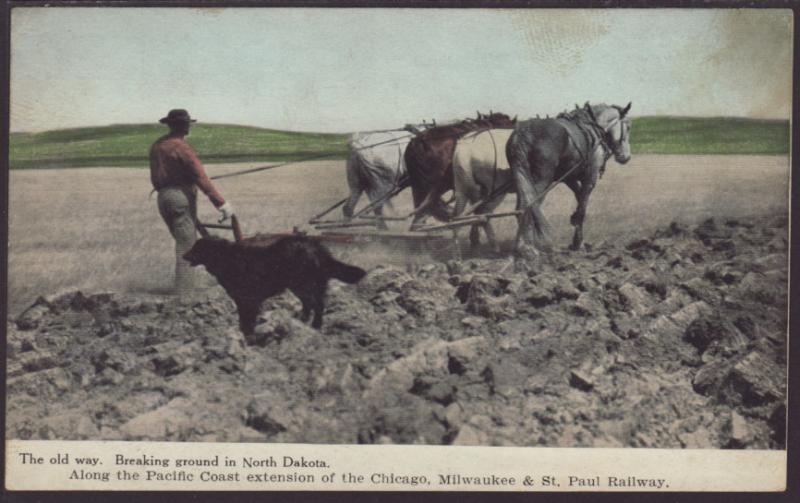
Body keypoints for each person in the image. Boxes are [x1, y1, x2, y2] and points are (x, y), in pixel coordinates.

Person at [150, 108, 234, 297]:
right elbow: (200, 177)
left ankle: (191, 286)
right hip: (180, 197)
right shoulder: (181, 147)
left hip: (163, 197)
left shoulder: (157, 145)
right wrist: (221, 203)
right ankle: (184, 295)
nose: (189, 126)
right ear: (182, 125)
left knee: (184, 240)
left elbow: (156, 177)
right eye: (187, 123)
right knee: (187, 246)